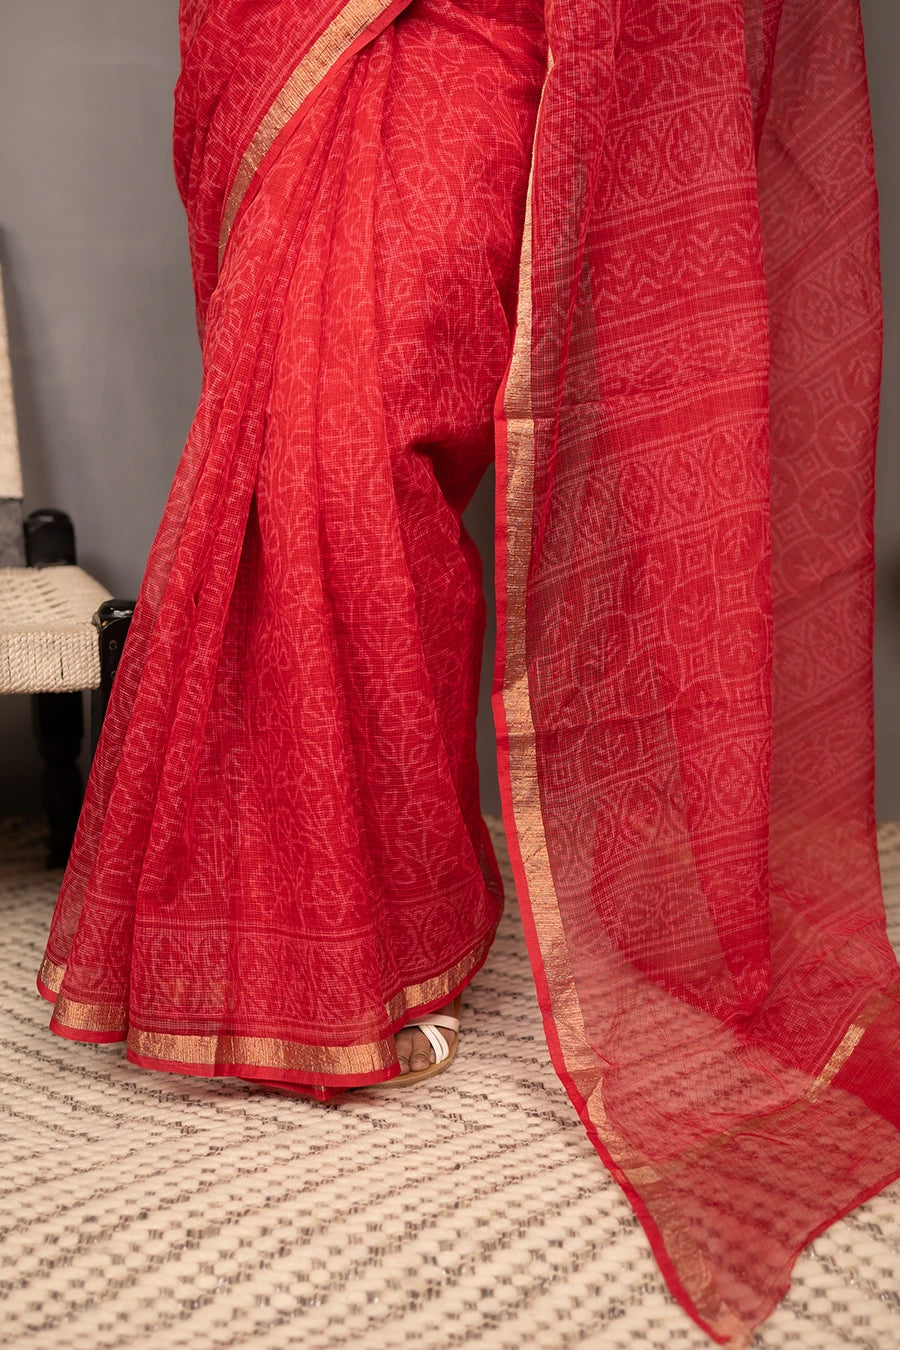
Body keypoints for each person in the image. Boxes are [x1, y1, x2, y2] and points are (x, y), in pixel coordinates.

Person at [36, 0, 900, 1343]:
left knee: (363, 462)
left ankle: (399, 933)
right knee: (287, 452)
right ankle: (337, 947)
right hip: (291, 32)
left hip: (491, 32)